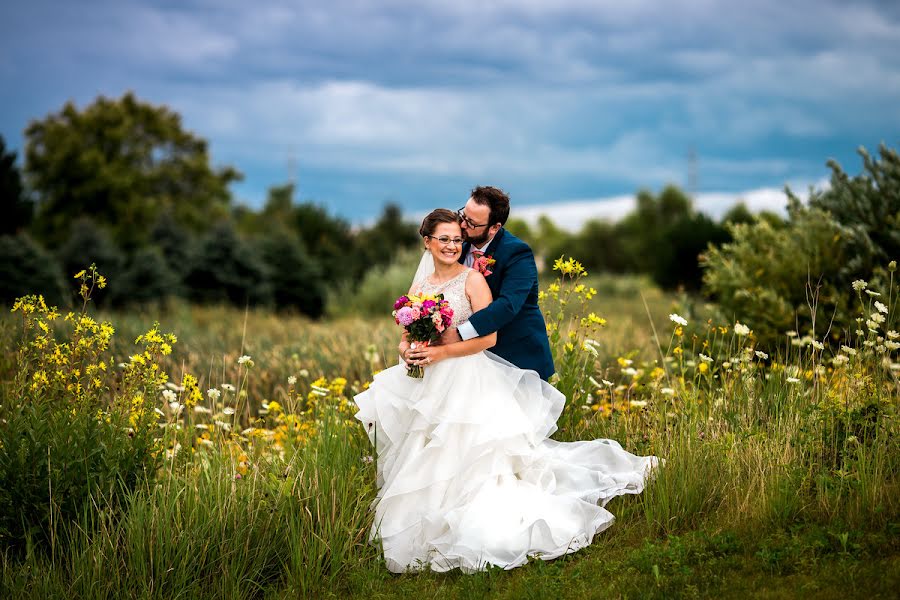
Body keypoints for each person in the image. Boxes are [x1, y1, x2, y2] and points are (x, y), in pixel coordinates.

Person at [353, 208, 659, 574]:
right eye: (444, 239)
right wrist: (411, 352)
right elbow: (405, 337)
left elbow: (489, 337)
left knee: (470, 454)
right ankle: (420, 524)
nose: (452, 245)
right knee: (422, 446)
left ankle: (471, 525)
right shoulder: (419, 287)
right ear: (428, 242)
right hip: (428, 378)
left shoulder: (472, 281)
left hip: (466, 377)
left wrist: (438, 352)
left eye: (457, 239)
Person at [439, 186, 555, 380]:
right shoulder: (458, 248)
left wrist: (459, 334)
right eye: (463, 215)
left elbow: (508, 305)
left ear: (494, 228)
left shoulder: (518, 253)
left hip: (517, 359)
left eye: (471, 222)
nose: (462, 225)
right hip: (471, 361)